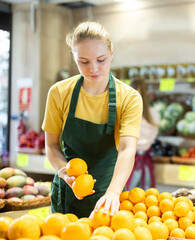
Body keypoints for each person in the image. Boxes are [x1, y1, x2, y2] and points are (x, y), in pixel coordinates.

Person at [42, 21, 143, 218]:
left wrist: (113, 192)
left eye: (101, 60)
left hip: (109, 192)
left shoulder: (129, 98)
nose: (93, 69)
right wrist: (65, 173)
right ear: (74, 58)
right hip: (67, 193)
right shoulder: (59, 93)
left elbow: (127, 149)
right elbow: (52, 146)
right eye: (84, 61)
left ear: (111, 54)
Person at [126, 78, 160, 190]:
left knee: (128, 195)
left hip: (128, 161)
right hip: (145, 160)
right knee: (146, 196)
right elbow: (151, 138)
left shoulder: (125, 113)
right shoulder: (154, 114)